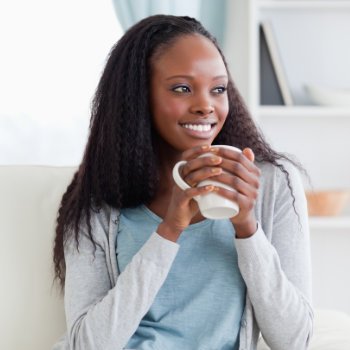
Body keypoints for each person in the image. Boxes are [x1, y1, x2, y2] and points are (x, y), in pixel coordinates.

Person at [52, 14, 313, 350]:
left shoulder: (274, 184)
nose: (206, 105)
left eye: (218, 89)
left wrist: (247, 227)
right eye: (182, 88)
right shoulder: (99, 199)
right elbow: (86, 345)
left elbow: (294, 341)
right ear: (138, 96)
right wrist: (169, 229)